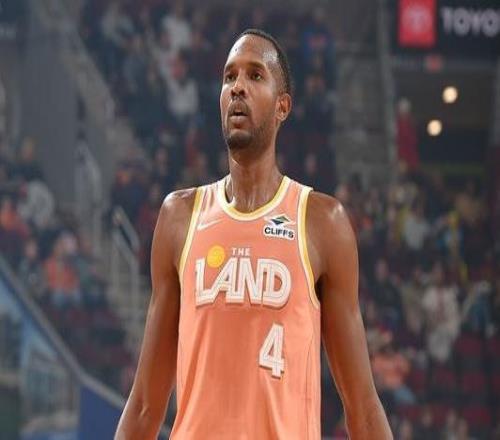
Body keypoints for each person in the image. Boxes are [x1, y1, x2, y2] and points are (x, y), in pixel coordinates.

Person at [115, 29, 391, 439]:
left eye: (255, 75)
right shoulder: (179, 217)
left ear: (283, 106)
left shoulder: (322, 222)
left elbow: (362, 408)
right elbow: (144, 404)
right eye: (229, 77)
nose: (237, 87)